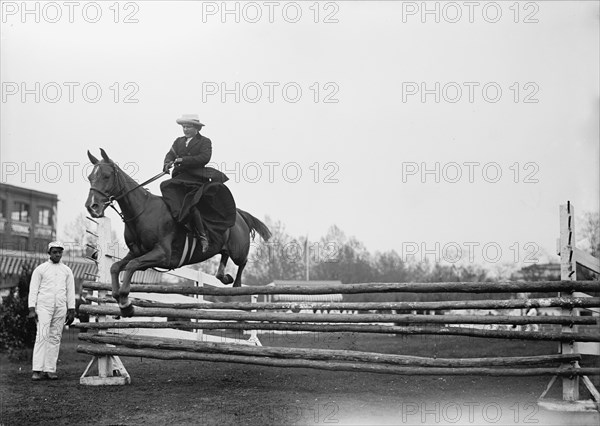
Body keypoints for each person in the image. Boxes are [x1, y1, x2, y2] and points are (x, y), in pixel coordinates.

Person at [160, 114, 231, 253]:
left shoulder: (205, 141)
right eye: (183, 127)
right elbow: (170, 155)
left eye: (188, 127)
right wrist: (167, 164)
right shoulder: (178, 141)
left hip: (195, 178)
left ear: (196, 128)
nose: (185, 129)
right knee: (164, 185)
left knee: (190, 204)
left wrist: (182, 160)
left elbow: (204, 158)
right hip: (179, 177)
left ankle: (203, 236)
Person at [28, 241, 75, 381]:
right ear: (49, 253)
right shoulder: (41, 269)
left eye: (60, 252)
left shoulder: (67, 271)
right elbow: (33, 289)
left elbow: (70, 291)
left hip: (60, 307)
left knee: (55, 337)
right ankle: (37, 369)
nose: (57, 254)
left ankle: (50, 369)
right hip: (44, 306)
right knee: (42, 335)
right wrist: (31, 308)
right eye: (54, 252)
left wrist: (71, 309)